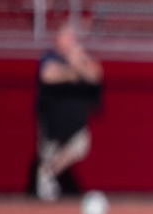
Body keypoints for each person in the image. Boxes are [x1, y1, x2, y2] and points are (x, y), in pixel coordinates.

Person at [30, 22, 103, 201]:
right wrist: (73, 71)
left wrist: (80, 61)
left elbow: (96, 74)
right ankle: (43, 185)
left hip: (75, 121)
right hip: (52, 120)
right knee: (48, 154)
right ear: (57, 40)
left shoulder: (80, 57)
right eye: (66, 37)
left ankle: (48, 174)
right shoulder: (49, 57)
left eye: (72, 38)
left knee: (79, 147)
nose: (70, 41)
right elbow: (48, 75)